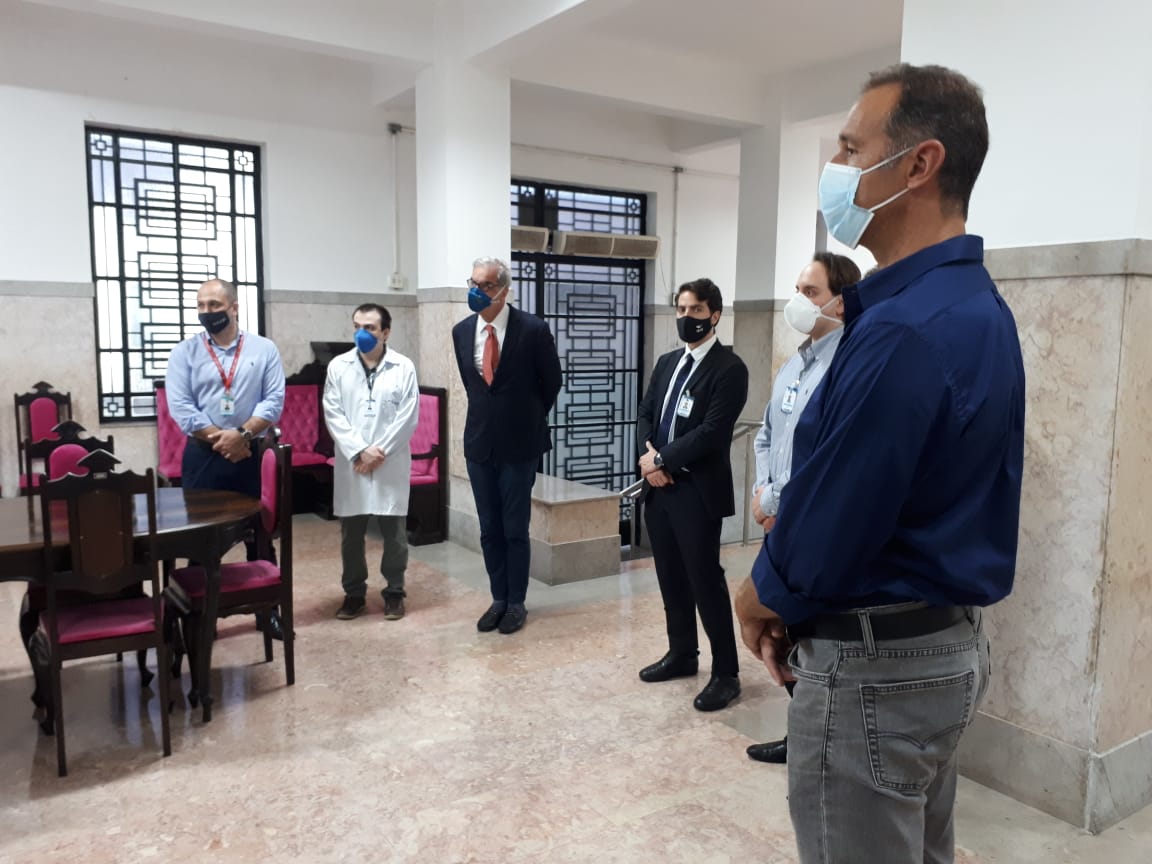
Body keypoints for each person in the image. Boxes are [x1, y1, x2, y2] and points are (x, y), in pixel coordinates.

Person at [734, 63, 1025, 864]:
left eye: (850, 149)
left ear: (920, 164)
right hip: (939, 649)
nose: (836, 169)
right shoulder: (971, 306)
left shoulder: (906, 329)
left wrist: (759, 596)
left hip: (878, 669)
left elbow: (838, 512)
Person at [745, 251, 860, 765]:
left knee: (813, 635)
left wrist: (774, 500)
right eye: (797, 290)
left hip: (810, 527)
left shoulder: (848, 367)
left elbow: (824, 458)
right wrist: (762, 493)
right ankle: (802, 736)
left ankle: (820, 746)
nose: (798, 301)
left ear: (841, 301)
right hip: (777, 523)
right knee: (786, 632)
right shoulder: (796, 362)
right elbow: (767, 434)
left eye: (810, 293)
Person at [636, 278, 748, 712]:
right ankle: (682, 653)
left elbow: (712, 432)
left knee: (705, 581)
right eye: (681, 310)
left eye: (696, 310)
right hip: (659, 490)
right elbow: (646, 413)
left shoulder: (729, 368)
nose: (687, 318)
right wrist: (650, 462)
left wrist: (662, 459)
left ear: (714, 315)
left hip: (696, 492)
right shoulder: (668, 362)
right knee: (670, 576)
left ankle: (726, 673)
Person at [165, 278, 286, 637]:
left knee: (259, 536)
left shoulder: (263, 349)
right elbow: (181, 407)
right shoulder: (184, 352)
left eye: (215, 305)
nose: (207, 312)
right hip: (203, 456)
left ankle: (268, 613)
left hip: (250, 454)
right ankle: (199, 618)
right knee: (199, 538)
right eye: (201, 306)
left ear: (234, 308)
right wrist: (223, 439)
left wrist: (242, 435)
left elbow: (273, 401)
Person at [451, 257, 562, 635]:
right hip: (479, 443)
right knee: (489, 528)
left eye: (485, 285)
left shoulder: (533, 329)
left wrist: (525, 416)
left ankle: (516, 602)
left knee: (514, 527)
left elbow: (551, 382)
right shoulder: (461, 331)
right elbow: (474, 387)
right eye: (473, 283)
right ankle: (498, 598)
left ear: (503, 290)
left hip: (520, 445)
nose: (476, 291)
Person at [323, 303, 420, 621]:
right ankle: (354, 593)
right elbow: (333, 413)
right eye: (357, 327)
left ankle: (394, 591)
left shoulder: (403, 367)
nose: (361, 334)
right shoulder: (338, 366)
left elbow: (408, 417)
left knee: (395, 535)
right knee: (351, 536)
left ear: (386, 332)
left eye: (370, 328)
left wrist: (379, 453)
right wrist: (359, 451)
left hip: (389, 463)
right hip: (353, 463)